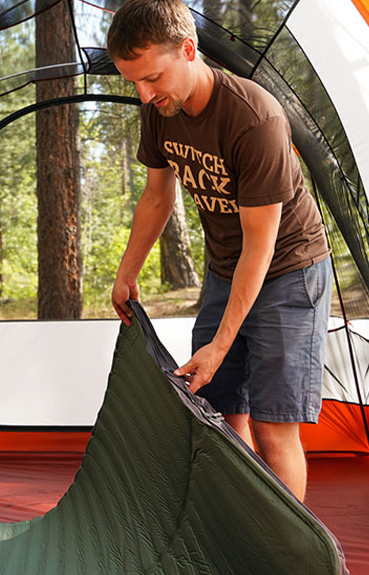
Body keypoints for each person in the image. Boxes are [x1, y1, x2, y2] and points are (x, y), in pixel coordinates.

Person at [106, 0, 332, 502]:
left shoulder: (255, 118)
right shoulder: (160, 111)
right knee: (221, 410)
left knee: (274, 426)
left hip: (290, 270)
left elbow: (262, 242)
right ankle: (249, 520)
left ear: (189, 50)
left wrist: (222, 345)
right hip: (225, 268)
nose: (144, 95)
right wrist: (126, 273)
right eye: (133, 83)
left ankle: (288, 561)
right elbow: (157, 197)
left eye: (152, 78)